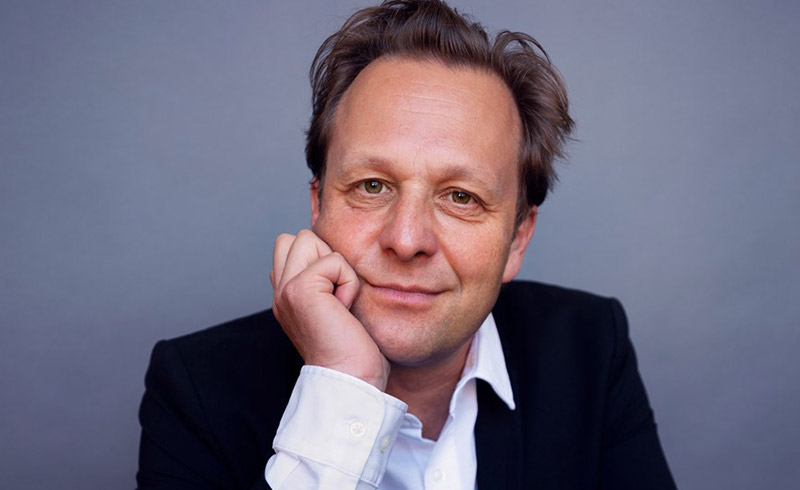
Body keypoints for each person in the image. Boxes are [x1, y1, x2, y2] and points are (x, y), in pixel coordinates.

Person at [136, 1, 676, 488]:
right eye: (372, 186)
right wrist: (343, 388)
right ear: (318, 207)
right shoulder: (197, 390)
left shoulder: (591, 348)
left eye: (461, 197)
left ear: (517, 238)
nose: (406, 239)